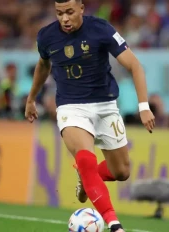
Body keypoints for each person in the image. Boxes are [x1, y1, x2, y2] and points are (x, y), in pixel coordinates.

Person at [25, 0, 155, 231]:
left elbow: (134, 65)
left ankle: (87, 179)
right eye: (59, 13)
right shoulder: (46, 37)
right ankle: (114, 224)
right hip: (71, 107)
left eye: (70, 12)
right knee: (85, 158)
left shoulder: (100, 29)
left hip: (106, 106)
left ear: (82, 9)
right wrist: (31, 98)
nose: (64, 18)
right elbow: (43, 65)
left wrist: (143, 105)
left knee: (121, 172)